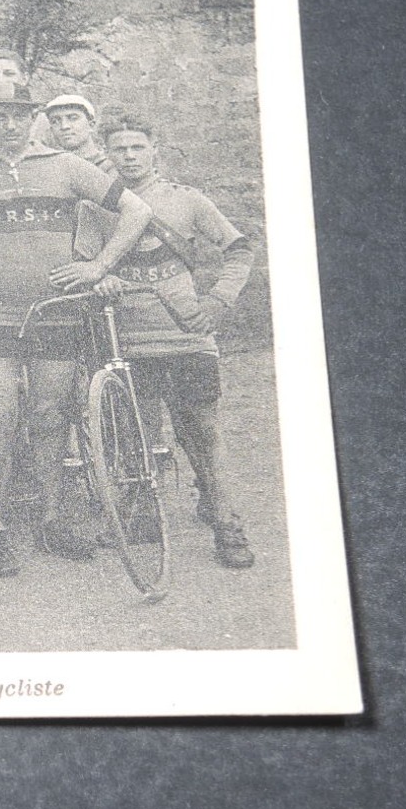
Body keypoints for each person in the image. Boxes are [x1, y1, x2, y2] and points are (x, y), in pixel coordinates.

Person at [0, 81, 153, 577]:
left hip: (55, 311)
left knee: (50, 414)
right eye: (0, 115)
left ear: (34, 118)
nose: (10, 124)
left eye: (19, 115)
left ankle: (51, 518)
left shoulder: (68, 166)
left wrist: (98, 266)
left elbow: (137, 210)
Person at [97, 118, 257, 568]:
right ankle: (145, 510)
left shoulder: (185, 200)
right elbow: (85, 262)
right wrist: (102, 276)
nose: (129, 156)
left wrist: (220, 300)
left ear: (154, 150)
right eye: (119, 148)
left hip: (187, 336)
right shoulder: (97, 207)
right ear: (107, 155)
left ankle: (226, 520)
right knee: (140, 432)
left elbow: (239, 248)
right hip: (128, 340)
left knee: (202, 432)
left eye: (137, 147)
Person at [45, 94, 111, 170]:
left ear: (91, 125)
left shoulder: (111, 166)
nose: (64, 126)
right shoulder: (51, 169)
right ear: (51, 130)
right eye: (55, 121)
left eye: (73, 118)